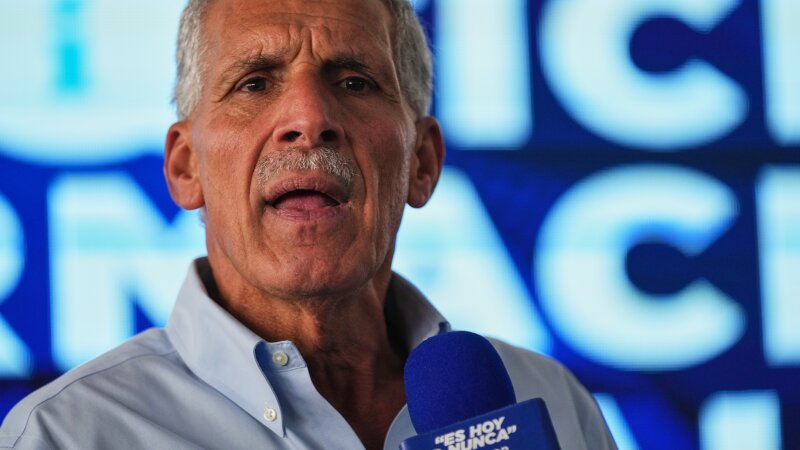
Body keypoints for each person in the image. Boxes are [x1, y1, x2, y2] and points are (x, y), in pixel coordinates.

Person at [0, 0, 617, 449]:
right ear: (186, 168)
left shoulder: (552, 402)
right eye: (255, 82)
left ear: (421, 163)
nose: (308, 117)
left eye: (353, 81)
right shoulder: (68, 433)